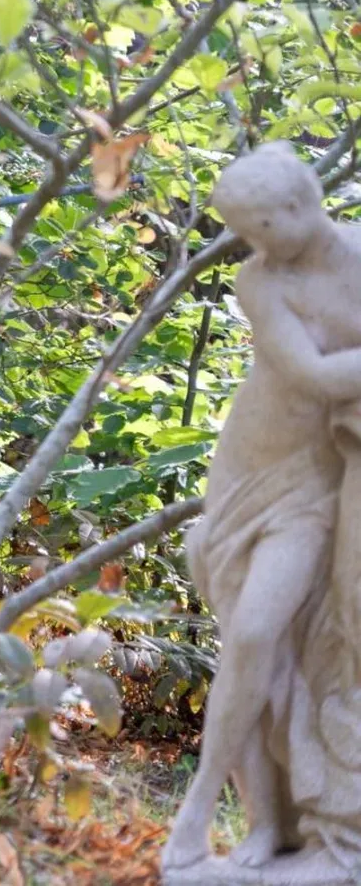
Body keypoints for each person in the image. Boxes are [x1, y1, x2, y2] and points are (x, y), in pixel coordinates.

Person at [165, 142, 361, 876]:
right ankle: (265, 821)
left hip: (317, 484)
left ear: (298, 206)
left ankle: (195, 808)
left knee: (257, 633)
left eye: (258, 226)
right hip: (249, 471)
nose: (250, 243)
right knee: (249, 644)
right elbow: (311, 375)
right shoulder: (259, 281)